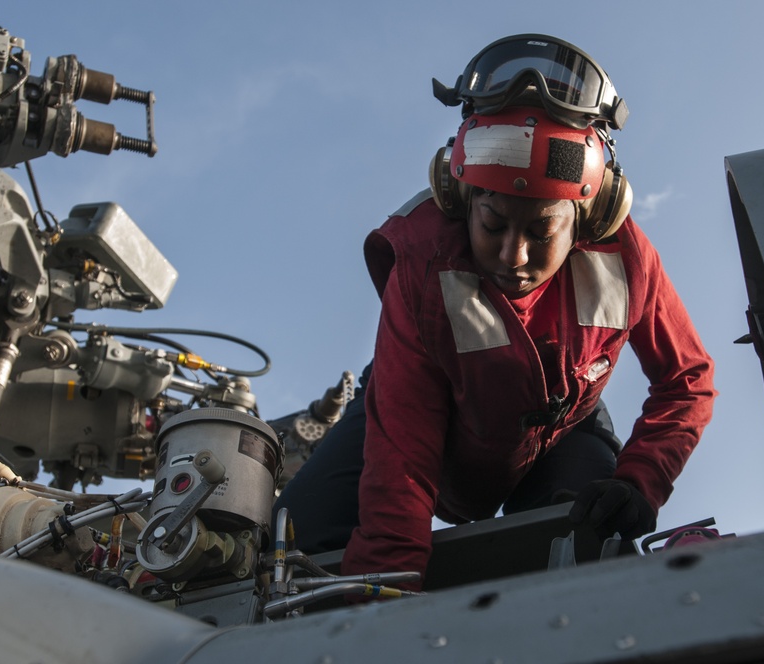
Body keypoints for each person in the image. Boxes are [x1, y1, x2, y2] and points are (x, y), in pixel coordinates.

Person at [274, 34, 715, 590]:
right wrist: (382, 598)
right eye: (493, 225)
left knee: (592, 549)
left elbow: (688, 381)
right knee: (295, 542)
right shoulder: (420, 266)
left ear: (589, 218)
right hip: (406, 415)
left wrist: (641, 479)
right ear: (461, 201)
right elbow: (403, 454)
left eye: (539, 231)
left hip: (564, 434)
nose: (514, 256)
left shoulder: (628, 261)